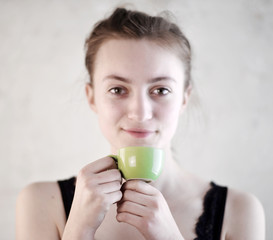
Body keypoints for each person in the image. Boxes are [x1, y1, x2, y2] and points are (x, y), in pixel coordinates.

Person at [16, 7, 265, 240]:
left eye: (161, 90)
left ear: (184, 98)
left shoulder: (239, 210)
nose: (140, 112)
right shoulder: (41, 203)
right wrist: (78, 230)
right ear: (92, 96)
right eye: (117, 89)